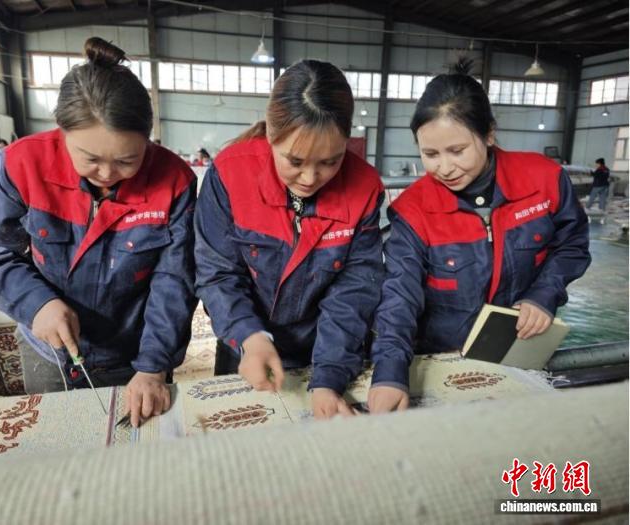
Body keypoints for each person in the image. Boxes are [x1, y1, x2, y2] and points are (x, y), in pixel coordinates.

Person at [0, 37, 197, 428]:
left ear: (148, 138)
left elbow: (175, 281)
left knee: (138, 447)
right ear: (62, 132)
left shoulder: (174, 180)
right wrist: (37, 304)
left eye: (127, 161)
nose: (107, 174)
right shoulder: (20, 165)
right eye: (90, 159)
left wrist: (153, 366)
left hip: (134, 351)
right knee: (55, 441)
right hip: (48, 349)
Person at [368, 58, 591, 414]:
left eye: (457, 151)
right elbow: (399, 296)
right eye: (430, 154)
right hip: (442, 360)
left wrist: (543, 295)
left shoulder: (544, 180)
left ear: (488, 134)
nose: (444, 167)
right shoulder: (413, 211)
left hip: (519, 354)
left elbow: (572, 245)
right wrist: (390, 374)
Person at [194, 60, 385, 419]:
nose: (310, 178)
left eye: (330, 162)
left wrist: (329, 376)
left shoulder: (364, 187)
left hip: (326, 351)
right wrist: (249, 337)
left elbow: (355, 289)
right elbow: (217, 273)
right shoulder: (231, 174)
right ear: (271, 135)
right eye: (295, 161)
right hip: (246, 347)